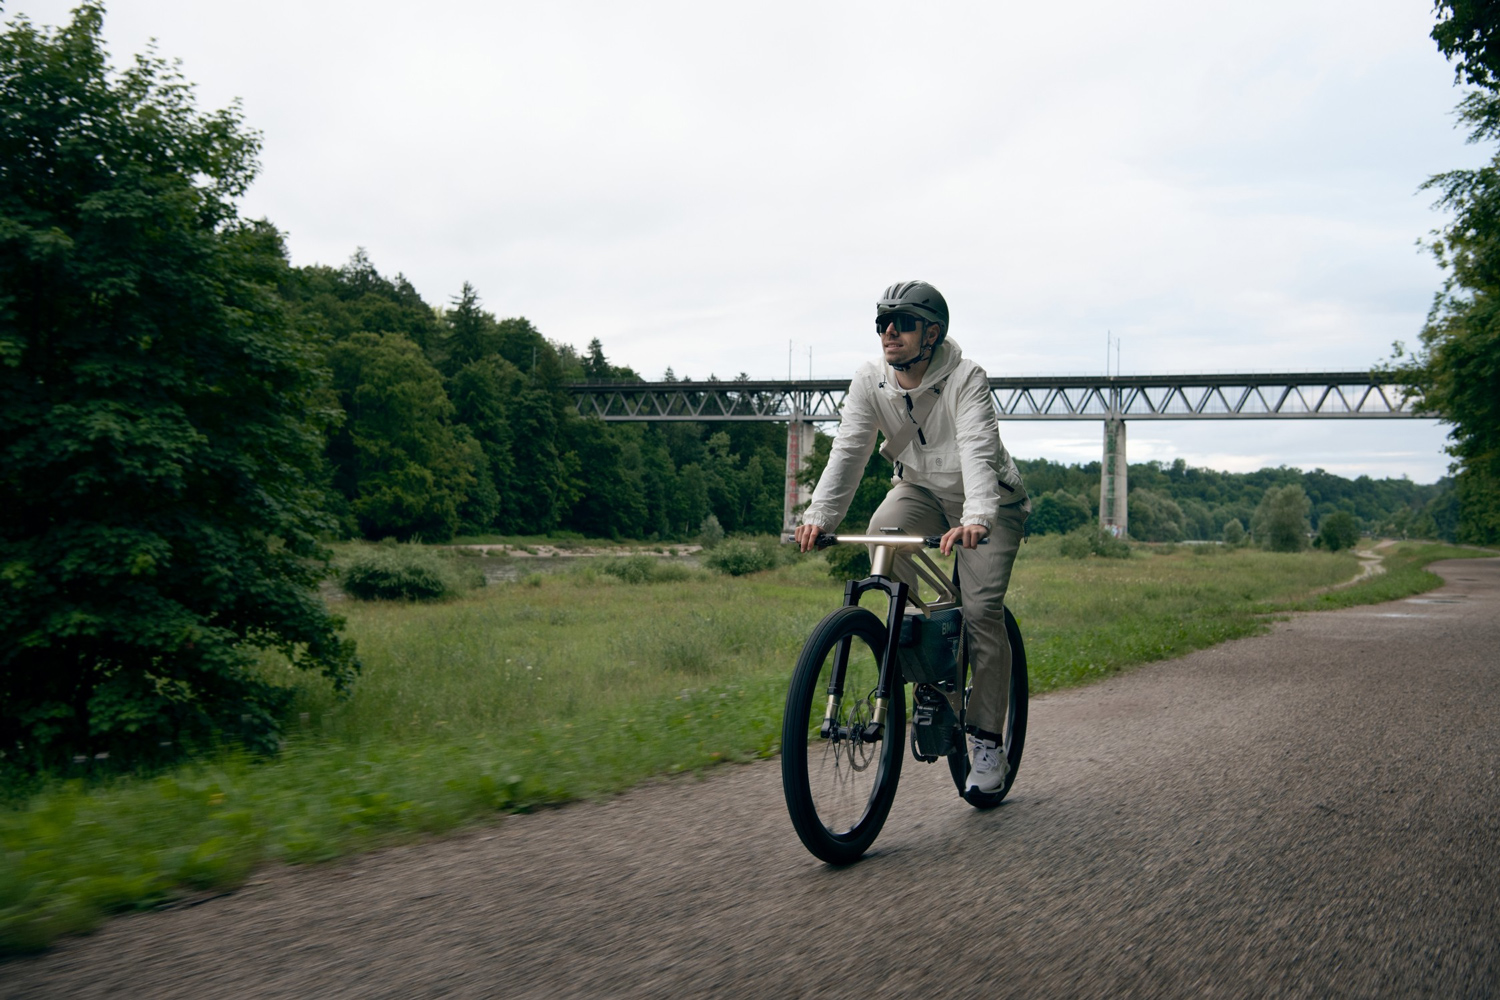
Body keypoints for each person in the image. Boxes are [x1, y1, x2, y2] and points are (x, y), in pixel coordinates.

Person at [794, 280, 1029, 794]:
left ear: (932, 333)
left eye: (901, 322)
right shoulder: (870, 381)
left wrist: (979, 516)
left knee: (981, 611)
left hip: (989, 502)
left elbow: (977, 450)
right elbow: (849, 451)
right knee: (883, 533)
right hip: (920, 490)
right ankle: (935, 668)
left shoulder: (967, 379)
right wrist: (821, 516)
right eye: (882, 322)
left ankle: (987, 740)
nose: (888, 332)